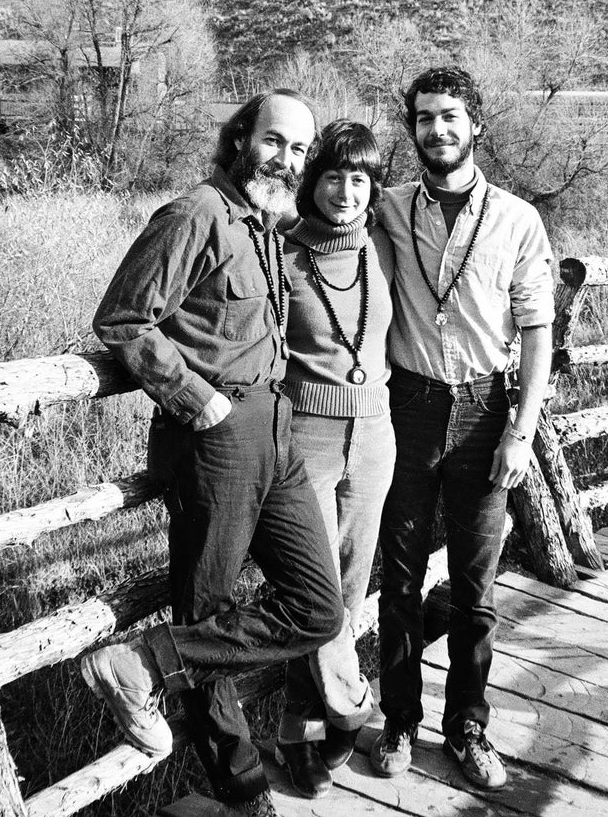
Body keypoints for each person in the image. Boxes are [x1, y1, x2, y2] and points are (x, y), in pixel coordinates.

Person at [81, 90, 346, 817]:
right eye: (275, 142)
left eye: (299, 149)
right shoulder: (195, 213)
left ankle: (142, 661)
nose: (287, 160)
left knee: (317, 607)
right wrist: (197, 397)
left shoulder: (261, 222)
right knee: (210, 607)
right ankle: (242, 789)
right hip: (215, 435)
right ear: (239, 138)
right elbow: (123, 316)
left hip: (275, 429)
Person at [370, 67, 554, 790]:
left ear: (477, 124)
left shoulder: (515, 219)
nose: (437, 130)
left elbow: (537, 332)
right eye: (423, 118)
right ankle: (397, 722)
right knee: (401, 581)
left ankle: (469, 727)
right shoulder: (384, 208)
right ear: (410, 128)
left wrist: (521, 430)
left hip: (485, 412)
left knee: (477, 587)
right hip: (408, 408)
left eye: (450, 116)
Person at [275, 121, 395, 797]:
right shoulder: (282, 253)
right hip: (307, 438)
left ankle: (305, 728)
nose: (346, 191)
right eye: (333, 177)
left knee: (348, 592)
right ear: (311, 181)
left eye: (360, 179)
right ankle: (348, 708)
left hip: (374, 435)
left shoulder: (384, 245)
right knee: (312, 593)